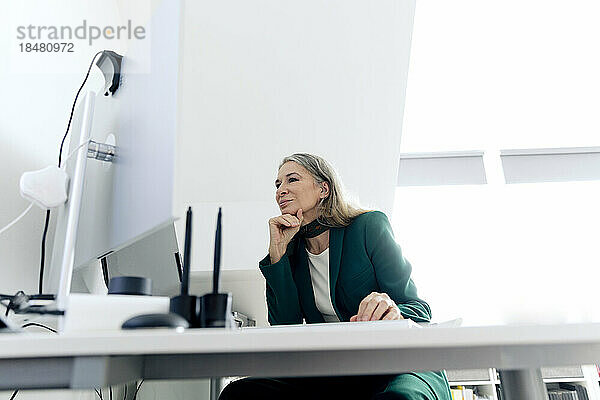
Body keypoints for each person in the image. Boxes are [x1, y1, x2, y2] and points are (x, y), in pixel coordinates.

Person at [219, 153, 452, 400]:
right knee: (240, 393)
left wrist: (392, 311)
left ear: (323, 188)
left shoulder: (368, 226)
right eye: (278, 185)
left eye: (292, 180)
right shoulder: (293, 252)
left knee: (399, 398)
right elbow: (285, 329)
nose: (281, 191)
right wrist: (278, 255)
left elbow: (419, 309)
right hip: (337, 370)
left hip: (397, 362)